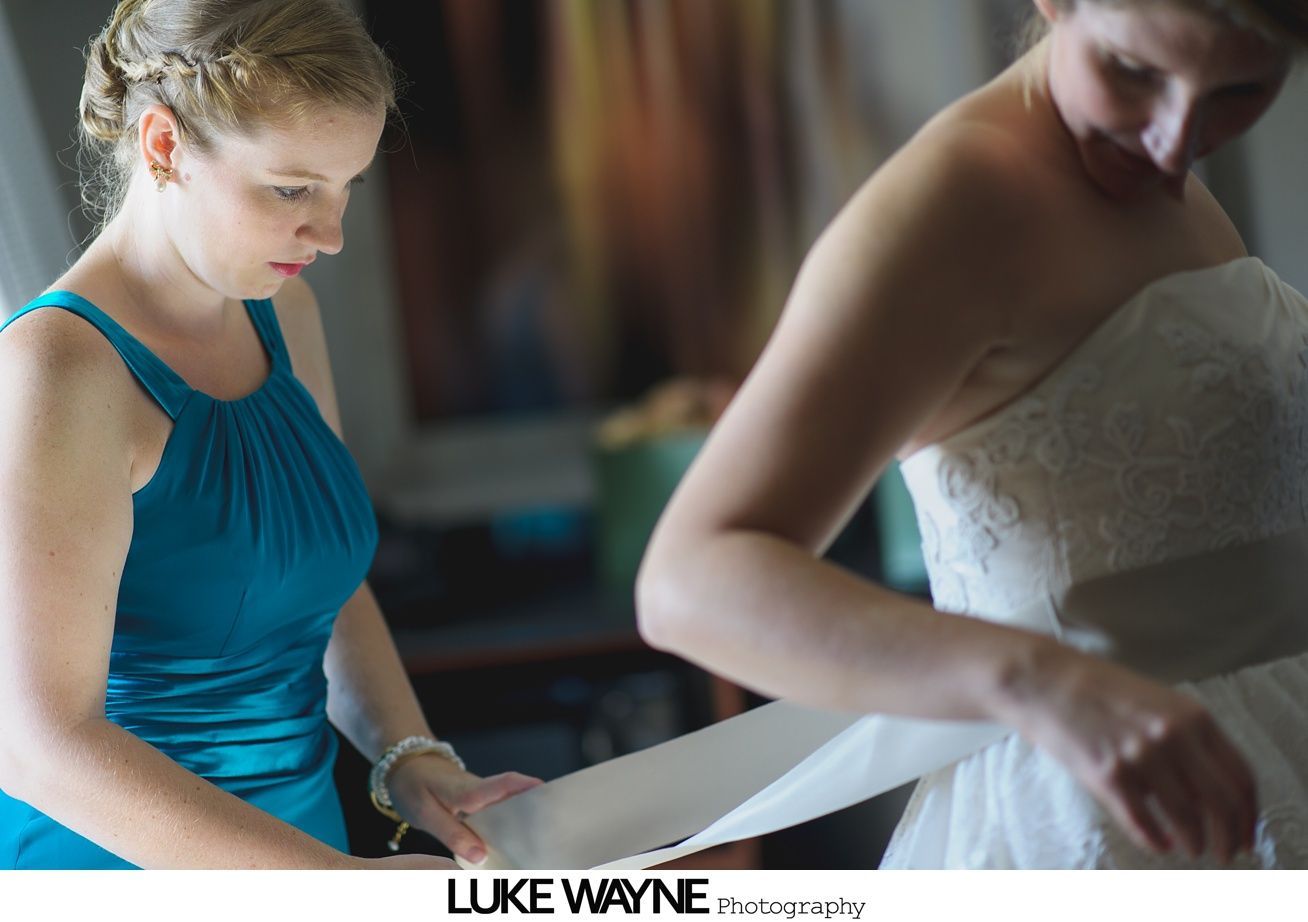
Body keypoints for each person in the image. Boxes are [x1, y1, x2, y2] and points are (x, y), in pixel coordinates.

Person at [636, 0, 1308, 869]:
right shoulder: (951, 206)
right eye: (1134, 71)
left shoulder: (1159, 178)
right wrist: (1041, 680)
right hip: (1100, 821)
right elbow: (691, 579)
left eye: (1239, 92)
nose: (1176, 143)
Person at [0, 0, 538, 870]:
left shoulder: (282, 309)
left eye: (344, 188)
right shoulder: (55, 371)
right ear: (164, 146)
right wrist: (341, 893)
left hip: (304, 858)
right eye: (291, 189)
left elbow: (319, 579)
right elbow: (40, 749)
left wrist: (410, 757)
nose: (327, 235)